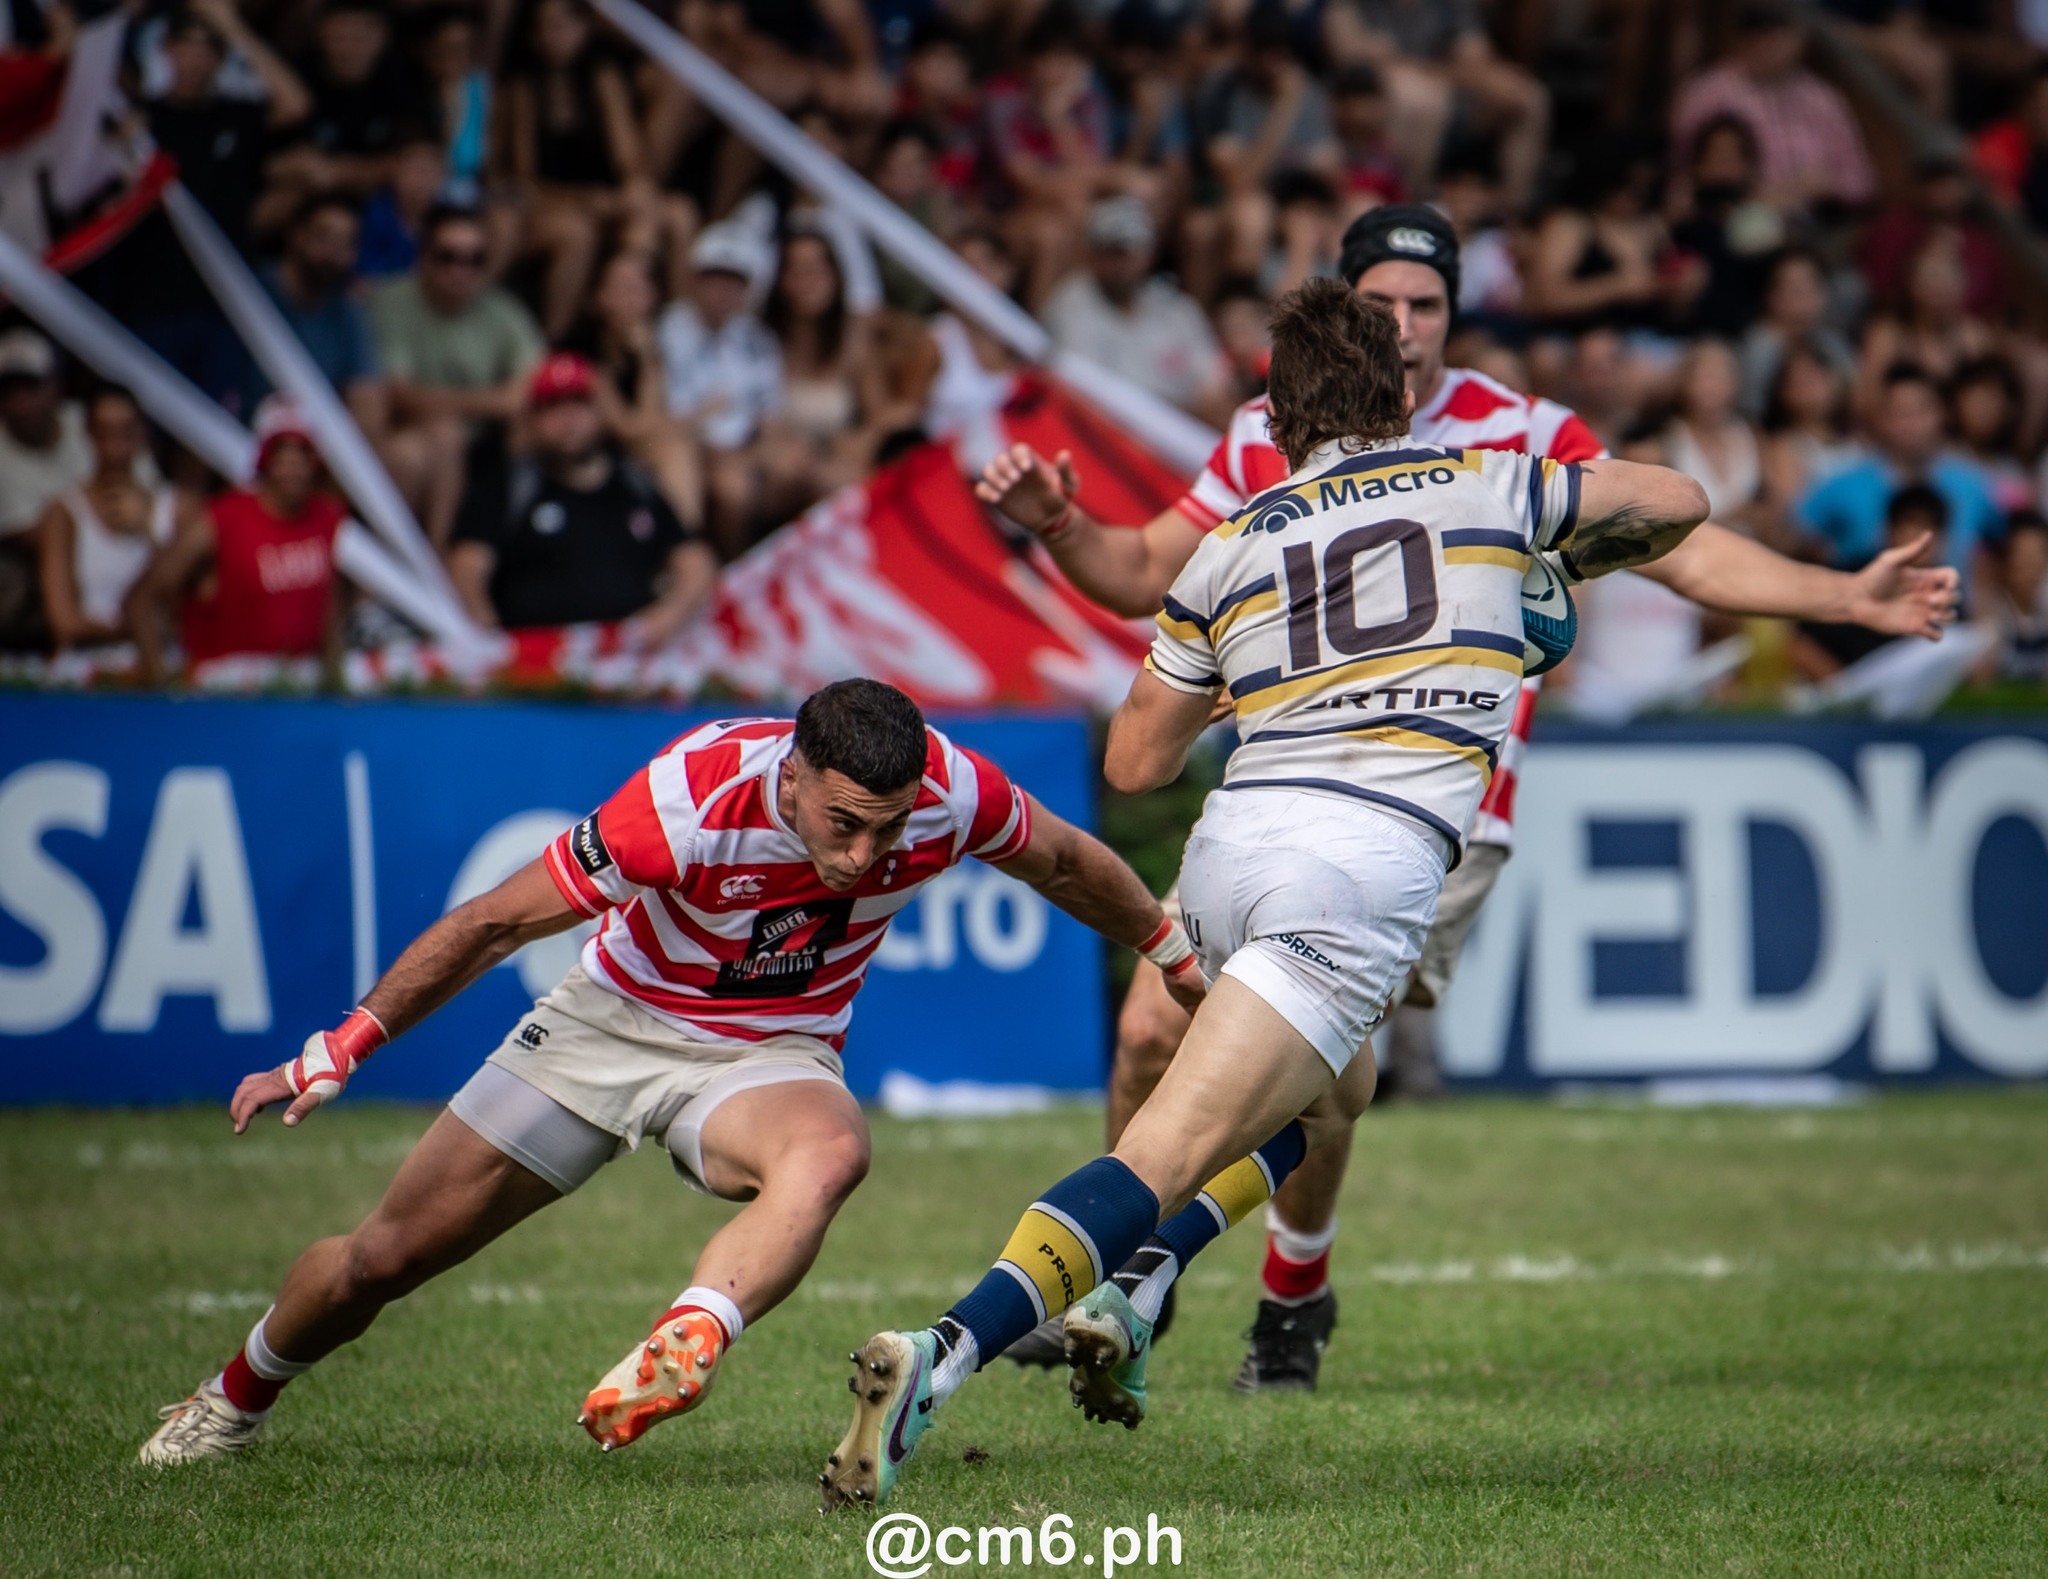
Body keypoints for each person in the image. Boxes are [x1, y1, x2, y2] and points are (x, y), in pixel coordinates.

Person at [973, 204, 1961, 1392]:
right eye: (1381, 304)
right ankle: (1127, 1268)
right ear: (1348, 312)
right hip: (1274, 791)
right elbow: (1145, 571)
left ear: (1452, 314)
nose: (1404, 327)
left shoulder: (1518, 434)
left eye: (1426, 305)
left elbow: (1676, 542)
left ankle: (1286, 1295)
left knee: (1318, 1067)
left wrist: (1839, 599)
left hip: (1435, 815)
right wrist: (1061, 525)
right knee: (1153, 1032)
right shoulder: (1261, 433)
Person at [817, 282, 1712, 1511]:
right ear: (1399, 393)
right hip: (1355, 871)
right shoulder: (1488, 482)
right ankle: (941, 1352)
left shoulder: (1234, 537)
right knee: (1169, 1146)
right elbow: (1676, 501)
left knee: (1338, 1089)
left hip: (1229, 853)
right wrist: (1554, 563)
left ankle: (1137, 1286)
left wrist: (1274, 679)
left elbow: (1131, 763)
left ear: (1276, 416)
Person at [136, 678, 1206, 1465]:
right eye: (841, 824)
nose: (861, 858)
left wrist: (1167, 947)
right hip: (610, 1023)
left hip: (767, 1050)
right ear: (790, 773)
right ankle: (233, 1397)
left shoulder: (947, 795)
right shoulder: (687, 800)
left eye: (884, 833)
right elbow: (493, 921)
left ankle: (690, 1333)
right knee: (379, 1263)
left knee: (832, 1150)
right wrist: (343, 1044)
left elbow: (1064, 860)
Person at [449, 353, 714, 645]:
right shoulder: (509, 485)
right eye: (553, 406)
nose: (568, 418)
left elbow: (694, 561)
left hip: (628, 663)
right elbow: (468, 565)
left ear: (599, 412)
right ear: (533, 419)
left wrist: (670, 615)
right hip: (533, 666)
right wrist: (483, 628)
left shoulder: (634, 484)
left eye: (579, 402)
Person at [124, 401, 348, 684]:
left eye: (302, 451)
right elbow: (141, 598)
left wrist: (335, 681)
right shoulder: (222, 519)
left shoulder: (326, 516)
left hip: (302, 687)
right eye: (282, 451)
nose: (293, 464)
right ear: (265, 457)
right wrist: (162, 683)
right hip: (227, 690)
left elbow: (326, 605)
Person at [371, 204, 547, 546]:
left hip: (481, 451)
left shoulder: (501, 310)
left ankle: (423, 570)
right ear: (423, 256)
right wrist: (490, 400)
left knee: (450, 437)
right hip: (397, 436)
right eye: (447, 257)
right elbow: (400, 396)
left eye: (474, 259)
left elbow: (528, 392)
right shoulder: (389, 301)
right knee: (428, 445)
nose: (460, 270)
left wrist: (439, 402)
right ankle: (423, 567)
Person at [1040, 196, 1236, 425]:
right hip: (1107, 434)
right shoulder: (1069, 307)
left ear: (1148, 253)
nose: (1123, 262)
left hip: (1180, 434)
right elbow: (1084, 396)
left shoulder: (1175, 307)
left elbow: (1213, 386)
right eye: (1113, 251)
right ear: (1092, 253)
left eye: (1132, 250)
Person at [1797, 362, 2003, 576]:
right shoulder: (1842, 484)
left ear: (1942, 414)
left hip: (1953, 604)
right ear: (1882, 419)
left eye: (1921, 411)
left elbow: (2006, 545)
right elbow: (1796, 536)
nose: (1912, 423)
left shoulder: (1973, 484)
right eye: (1901, 412)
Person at [36, 388, 193, 653]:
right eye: (105, 433)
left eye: (126, 433)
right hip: (90, 669)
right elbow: (65, 623)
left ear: (142, 433)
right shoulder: (63, 513)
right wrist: (141, 628)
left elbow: (188, 611)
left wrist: (148, 532)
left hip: (163, 669)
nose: (116, 446)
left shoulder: (179, 508)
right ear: (88, 435)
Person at [0, 330, 90, 648]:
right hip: (31, 568)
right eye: (9, 391)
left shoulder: (92, 424)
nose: (20, 403)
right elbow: (32, 538)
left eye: (31, 387)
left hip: (114, 549)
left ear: (55, 386)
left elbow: (149, 496)